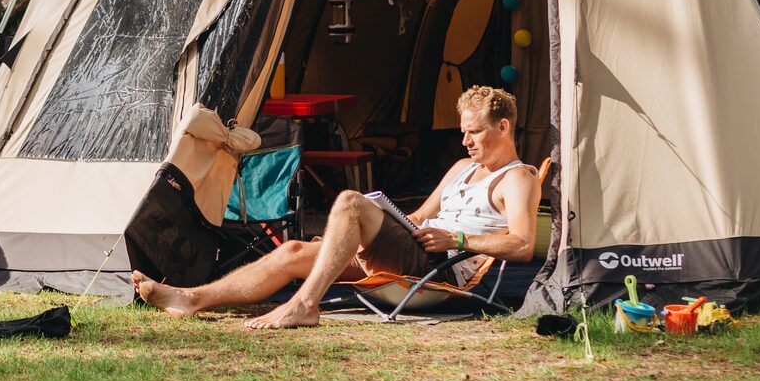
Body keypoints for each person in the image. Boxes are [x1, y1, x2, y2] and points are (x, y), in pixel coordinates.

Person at [132, 85, 541, 329]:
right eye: (463, 132)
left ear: (503, 127)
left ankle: (304, 305)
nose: (466, 141)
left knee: (349, 200)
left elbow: (522, 244)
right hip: (413, 248)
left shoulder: (517, 179)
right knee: (293, 251)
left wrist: (459, 237)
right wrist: (346, 238)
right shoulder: (461, 168)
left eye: (475, 133)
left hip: (440, 267)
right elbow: (416, 219)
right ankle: (190, 299)